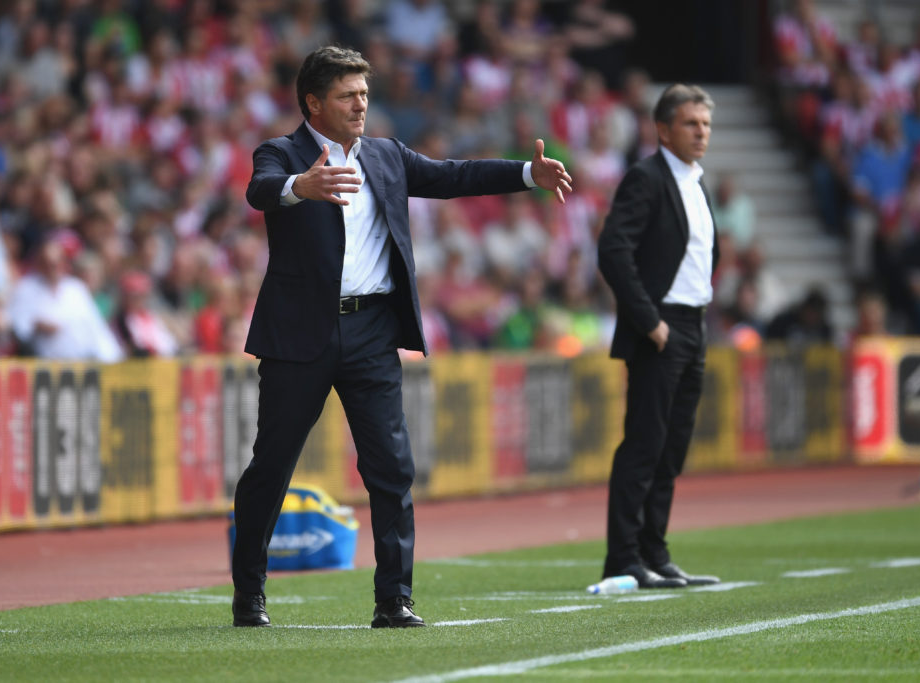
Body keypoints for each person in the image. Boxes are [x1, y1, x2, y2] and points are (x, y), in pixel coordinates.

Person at [232, 45, 571, 628]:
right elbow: (260, 189)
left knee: (392, 467)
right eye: (347, 94)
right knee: (273, 466)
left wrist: (525, 174)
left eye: (364, 93)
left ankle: (394, 599)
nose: (361, 103)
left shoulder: (386, 155)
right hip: (299, 336)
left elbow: (451, 176)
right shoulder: (282, 153)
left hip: (371, 331)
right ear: (313, 102)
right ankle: (249, 593)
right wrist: (299, 187)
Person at [596, 84, 722, 590]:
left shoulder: (696, 181)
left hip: (694, 321)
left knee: (672, 447)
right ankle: (624, 558)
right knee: (645, 445)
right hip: (662, 325)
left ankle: (655, 551)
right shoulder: (646, 178)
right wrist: (650, 321)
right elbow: (613, 251)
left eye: (706, 125)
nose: (701, 133)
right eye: (691, 124)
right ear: (663, 129)